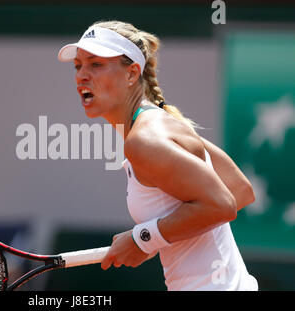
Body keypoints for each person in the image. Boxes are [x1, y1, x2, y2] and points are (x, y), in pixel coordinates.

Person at [58, 20, 258, 290]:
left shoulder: (144, 141)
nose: (82, 75)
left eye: (96, 64)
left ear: (131, 74)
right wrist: (162, 234)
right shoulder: (163, 124)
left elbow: (222, 204)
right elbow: (240, 189)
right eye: (78, 65)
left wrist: (143, 238)